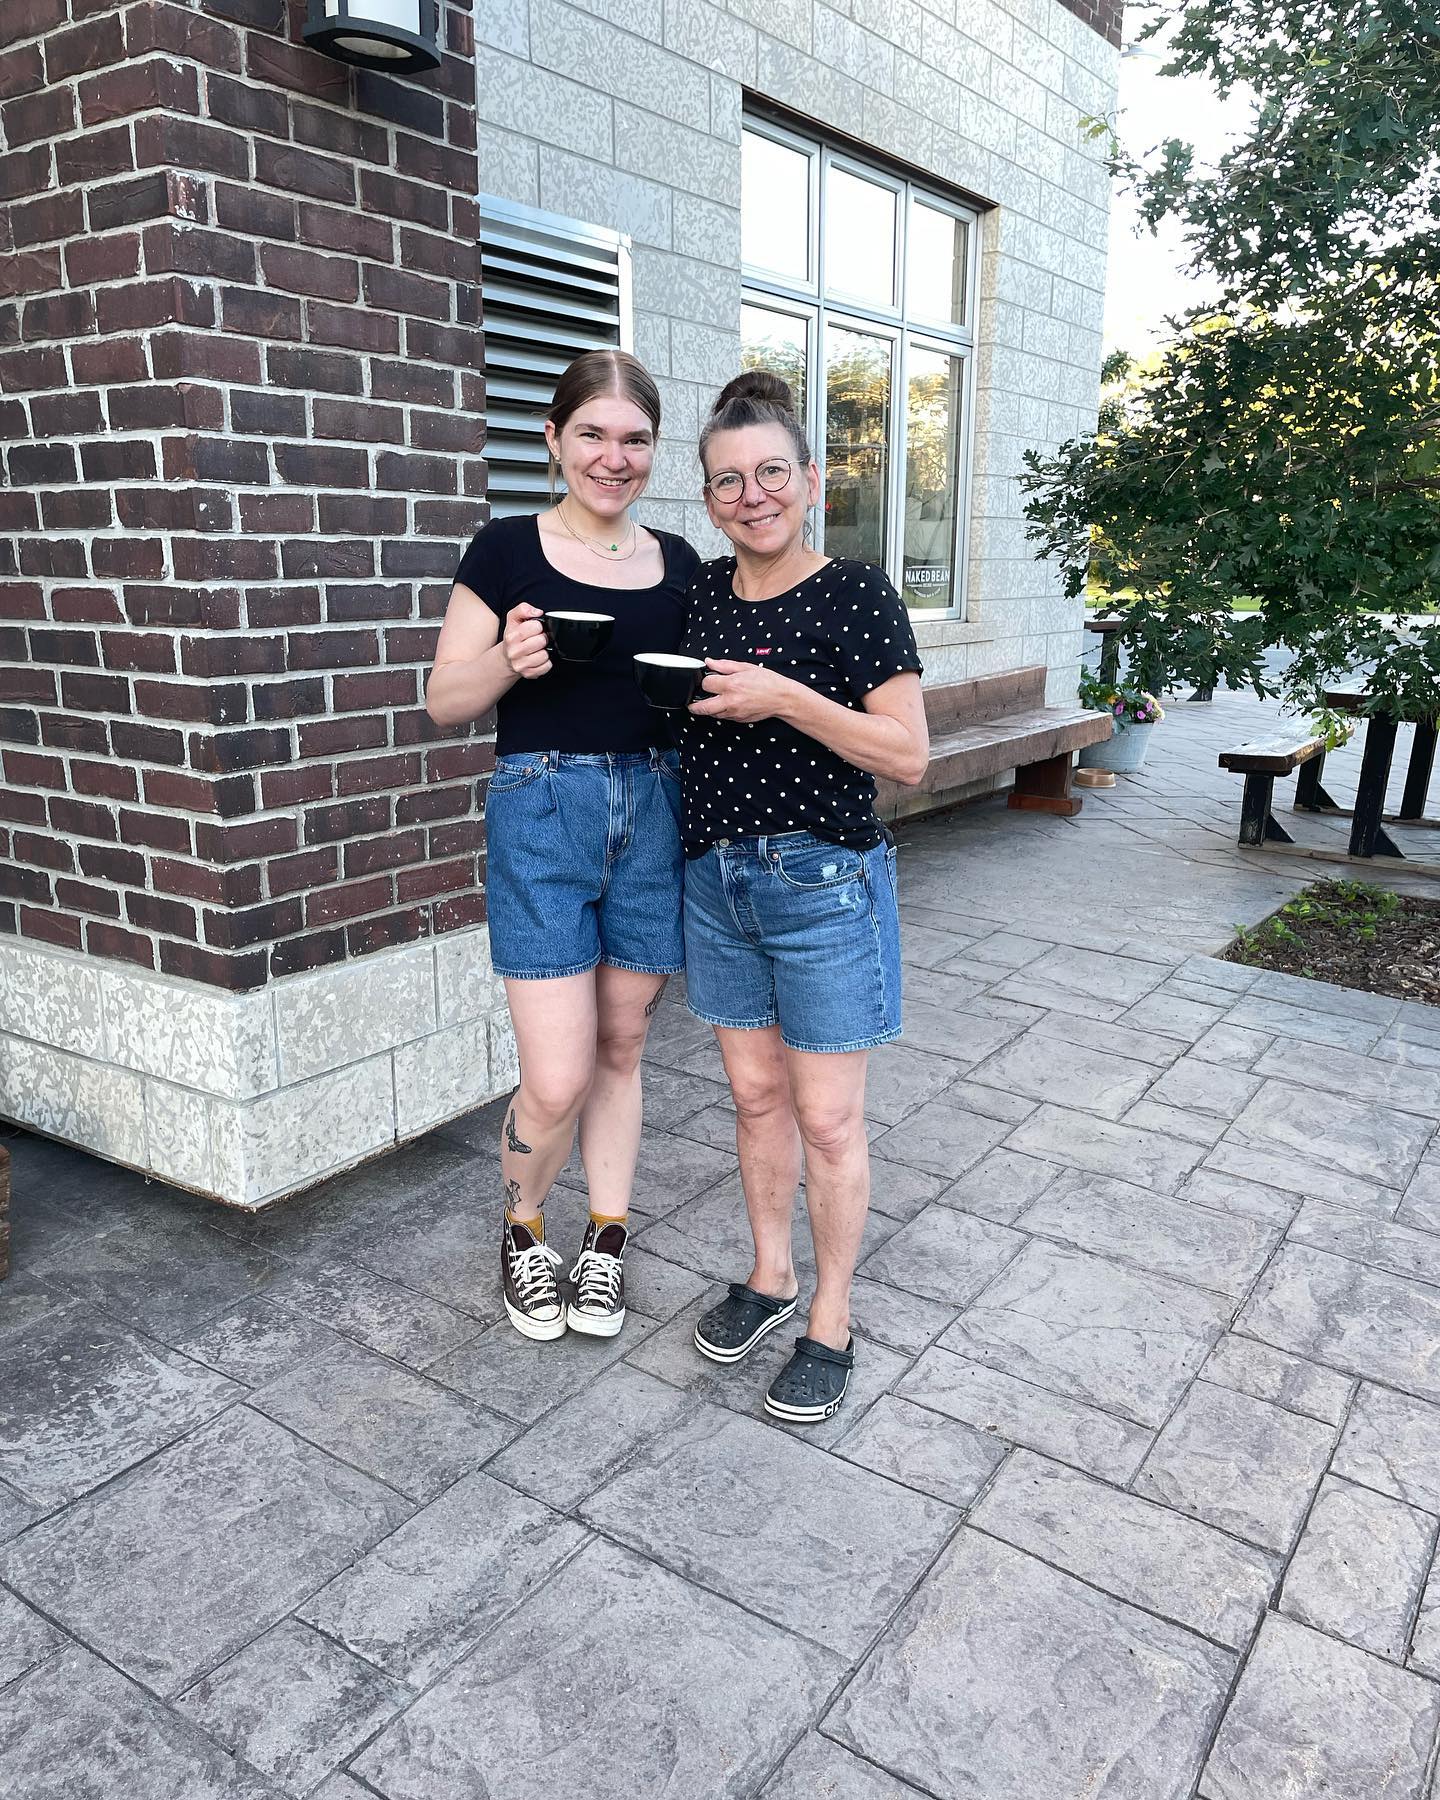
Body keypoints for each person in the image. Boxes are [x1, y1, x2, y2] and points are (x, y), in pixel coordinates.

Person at [426, 349, 698, 1343]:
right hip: (542, 813)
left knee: (622, 1048)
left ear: (653, 450)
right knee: (556, 1076)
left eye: (635, 439)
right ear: (552, 439)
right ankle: (524, 1229)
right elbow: (444, 700)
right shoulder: (505, 550)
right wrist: (509, 657)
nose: (614, 458)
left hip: (655, 811)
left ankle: (607, 1240)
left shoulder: (682, 564)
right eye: (592, 434)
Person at [679, 370, 929, 1424]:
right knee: (754, 1099)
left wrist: (784, 696)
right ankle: (771, 1274)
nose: (754, 495)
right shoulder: (698, 595)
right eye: (729, 480)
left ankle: (832, 1318)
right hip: (715, 881)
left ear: (812, 480)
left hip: (822, 884)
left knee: (827, 1120)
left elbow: (907, 754)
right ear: (708, 499)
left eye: (772, 472)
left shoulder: (856, 593)